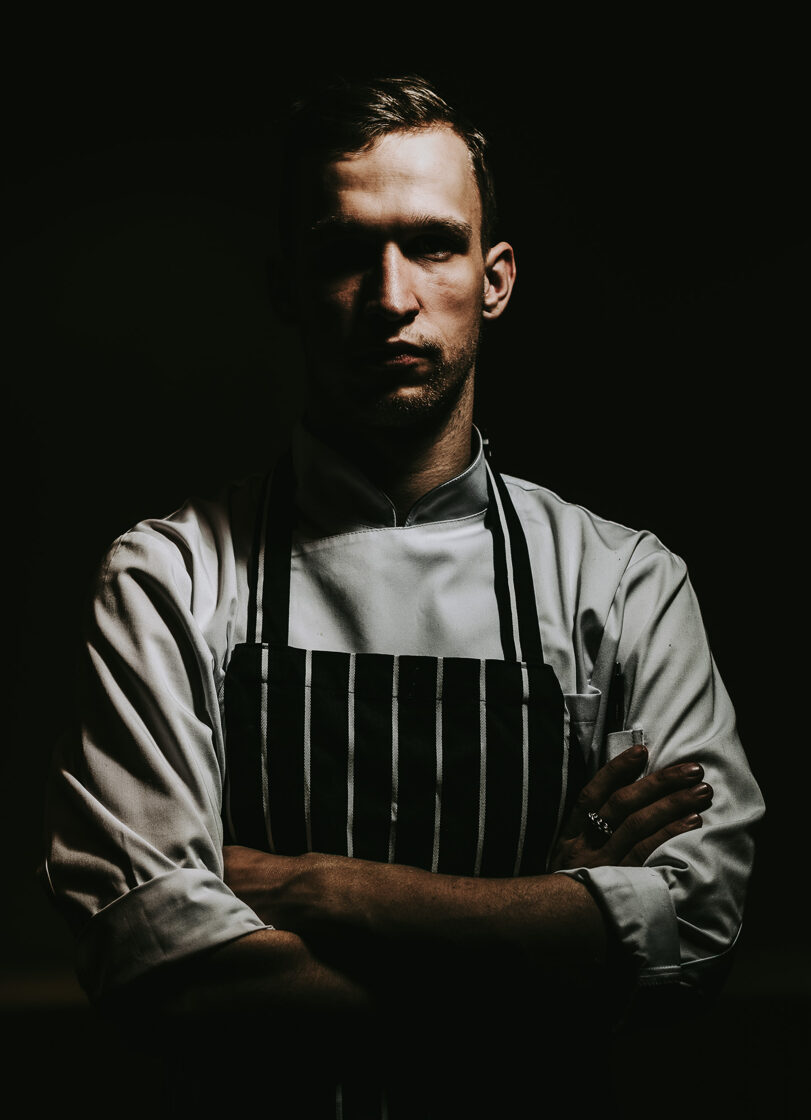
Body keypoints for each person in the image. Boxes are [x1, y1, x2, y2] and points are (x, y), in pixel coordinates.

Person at [41, 75, 764, 1117]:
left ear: (494, 279)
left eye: (431, 245)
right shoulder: (170, 579)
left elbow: (694, 931)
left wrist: (318, 887)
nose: (389, 297)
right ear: (286, 286)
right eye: (343, 252)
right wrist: (547, 925)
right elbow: (159, 963)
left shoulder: (623, 585)